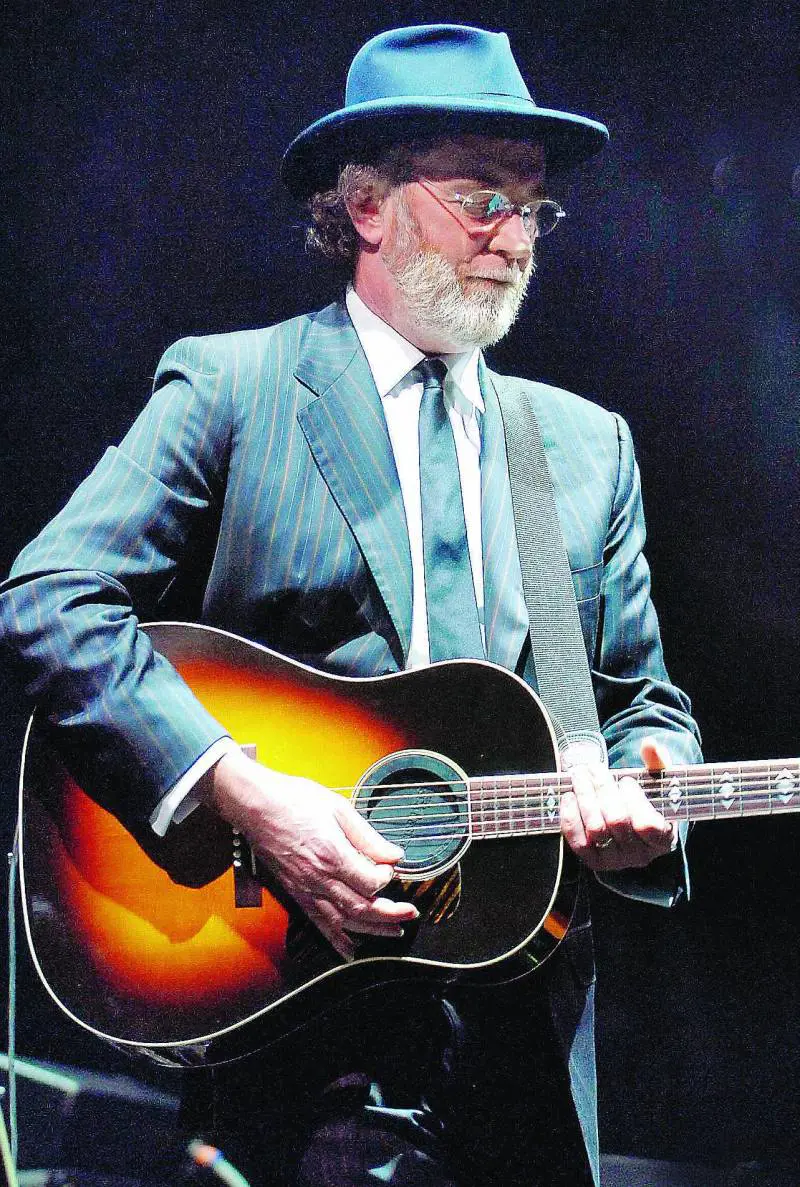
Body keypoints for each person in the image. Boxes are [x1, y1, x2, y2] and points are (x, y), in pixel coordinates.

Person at [0, 24, 702, 1187]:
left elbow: (640, 705)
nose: (516, 235)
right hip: (291, 1020)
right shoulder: (235, 387)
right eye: (482, 197)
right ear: (368, 204)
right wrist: (243, 791)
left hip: (518, 1031)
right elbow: (49, 598)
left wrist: (645, 789)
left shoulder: (582, 448)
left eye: (534, 206)